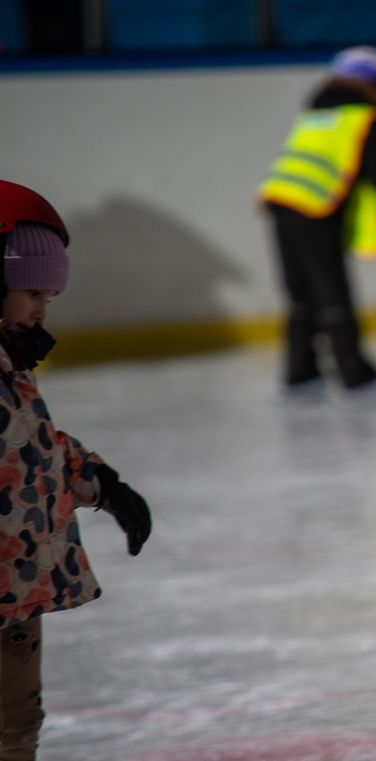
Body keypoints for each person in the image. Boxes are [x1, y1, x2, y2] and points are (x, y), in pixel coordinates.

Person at [0, 179, 152, 760]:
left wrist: (106, 486)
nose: (41, 307)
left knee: (16, 725)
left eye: (49, 296)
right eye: (29, 291)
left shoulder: (13, 368)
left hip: (14, 594)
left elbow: (36, 449)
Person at [258, 45, 376, 393]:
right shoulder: (361, 118)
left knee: (300, 293)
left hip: (280, 200)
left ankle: (300, 371)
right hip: (314, 207)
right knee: (333, 292)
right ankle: (354, 373)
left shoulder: (314, 115)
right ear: (375, 85)